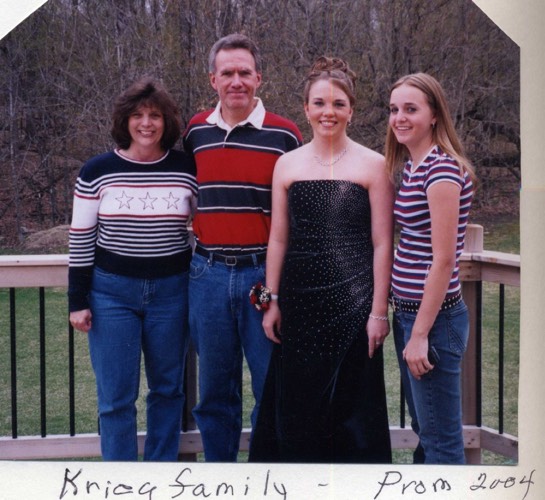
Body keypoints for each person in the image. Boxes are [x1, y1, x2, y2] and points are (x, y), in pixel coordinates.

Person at [248, 56, 394, 463]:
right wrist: (271, 301)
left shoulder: (375, 165)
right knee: (298, 411)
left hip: (354, 306)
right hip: (299, 306)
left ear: (351, 110)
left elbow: (383, 243)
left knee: (353, 412)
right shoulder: (287, 164)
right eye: (319, 103)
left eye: (338, 104)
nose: (328, 112)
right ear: (306, 108)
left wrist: (378, 312)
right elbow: (278, 238)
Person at [182, 33, 302, 462]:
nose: (236, 81)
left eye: (244, 73)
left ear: (259, 78)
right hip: (208, 273)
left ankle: (268, 477)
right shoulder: (195, 131)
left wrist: (279, 289)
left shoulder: (285, 135)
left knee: (272, 385)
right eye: (227, 73)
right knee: (215, 391)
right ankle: (222, 479)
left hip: (262, 275)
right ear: (212, 79)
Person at [68, 77, 197, 461]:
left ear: (166, 122)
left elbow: (204, 225)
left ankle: (159, 473)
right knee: (115, 398)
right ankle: (120, 479)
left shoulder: (186, 169)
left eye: (155, 115)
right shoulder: (97, 171)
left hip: (172, 293)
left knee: (168, 390)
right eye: (138, 115)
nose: (146, 123)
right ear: (124, 121)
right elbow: (81, 238)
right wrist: (77, 300)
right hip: (112, 296)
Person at [386, 72, 476, 464]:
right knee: (427, 432)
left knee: (441, 443)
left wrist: (420, 334)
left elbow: (444, 259)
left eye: (411, 109)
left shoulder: (441, 170)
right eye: (394, 109)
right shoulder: (412, 166)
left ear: (435, 114)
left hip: (433, 323)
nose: (399, 118)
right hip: (409, 316)